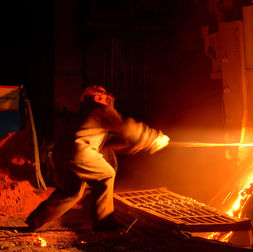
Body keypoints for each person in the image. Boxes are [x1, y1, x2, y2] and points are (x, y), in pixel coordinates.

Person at [25, 85, 169, 231]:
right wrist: (153, 137)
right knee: (106, 175)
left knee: (70, 192)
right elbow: (126, 128)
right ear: (99, 97)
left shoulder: (85, 113)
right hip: (78, 152)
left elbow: (107, 141)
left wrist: (138, 144)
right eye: (104, 96)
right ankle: (104, 223)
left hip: (61, 154)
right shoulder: (101, 110)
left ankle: (36, 220)